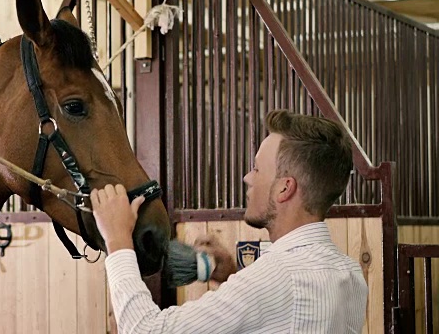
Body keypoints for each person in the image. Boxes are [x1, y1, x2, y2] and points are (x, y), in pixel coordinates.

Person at [90, 110, 368, 334]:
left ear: (285, 188)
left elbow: (145, 330)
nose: (248, 177)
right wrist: (233, 274)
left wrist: (117, 240)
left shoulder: (275, 278)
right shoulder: (349, 274)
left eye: (258, 169)